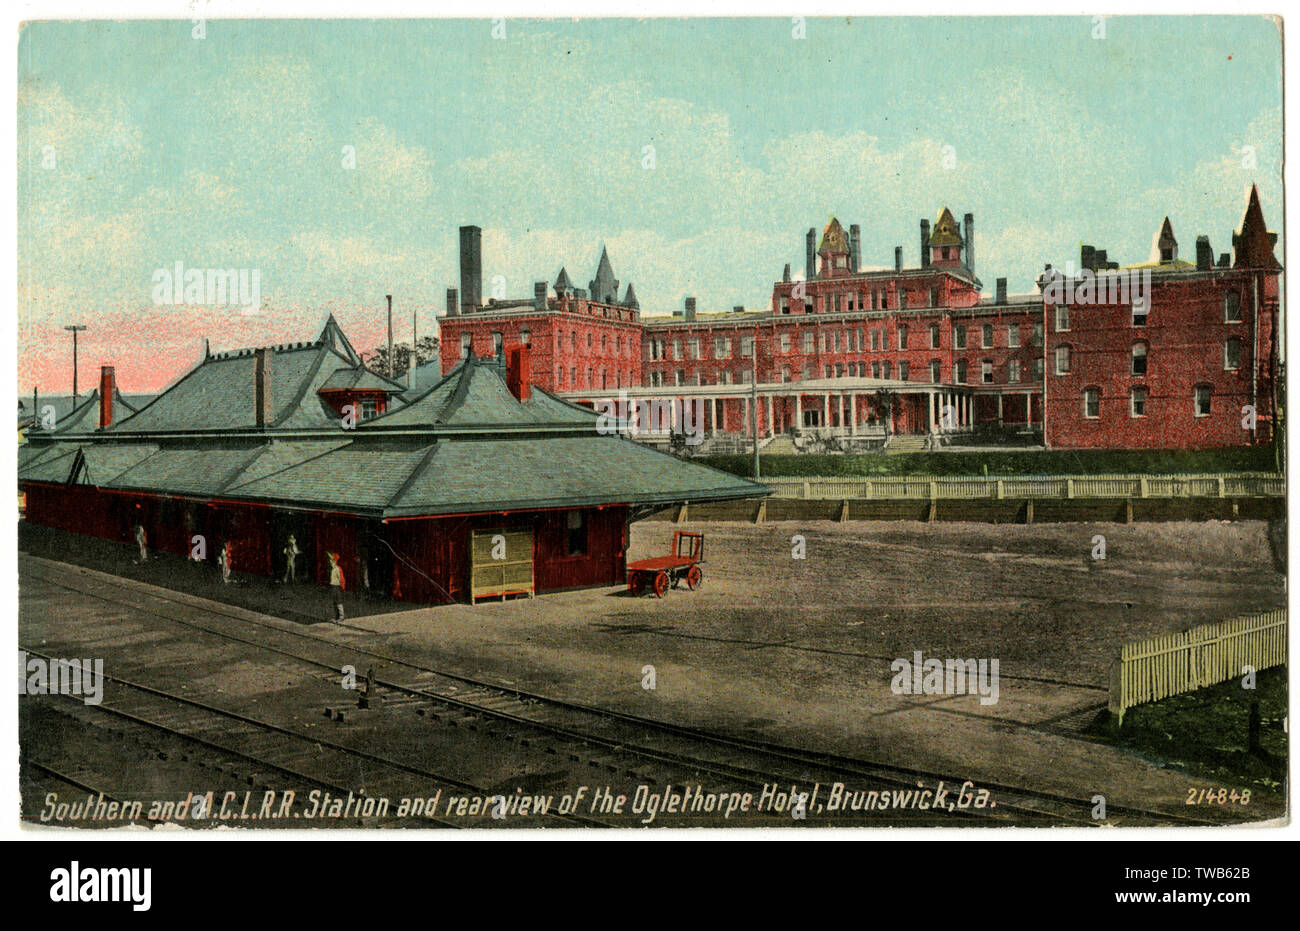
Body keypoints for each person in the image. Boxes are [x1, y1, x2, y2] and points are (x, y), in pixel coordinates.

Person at [328, 552, 346, 621]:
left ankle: (341, 616)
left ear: (335, 561)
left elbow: (341, 579)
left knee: (339, 601)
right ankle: (336, 616)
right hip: (333, 586)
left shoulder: (338, 569)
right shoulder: (332, 569)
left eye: (331, 561)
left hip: (337, 587)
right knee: (334, 602)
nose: (330, 562)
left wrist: (342, 587)